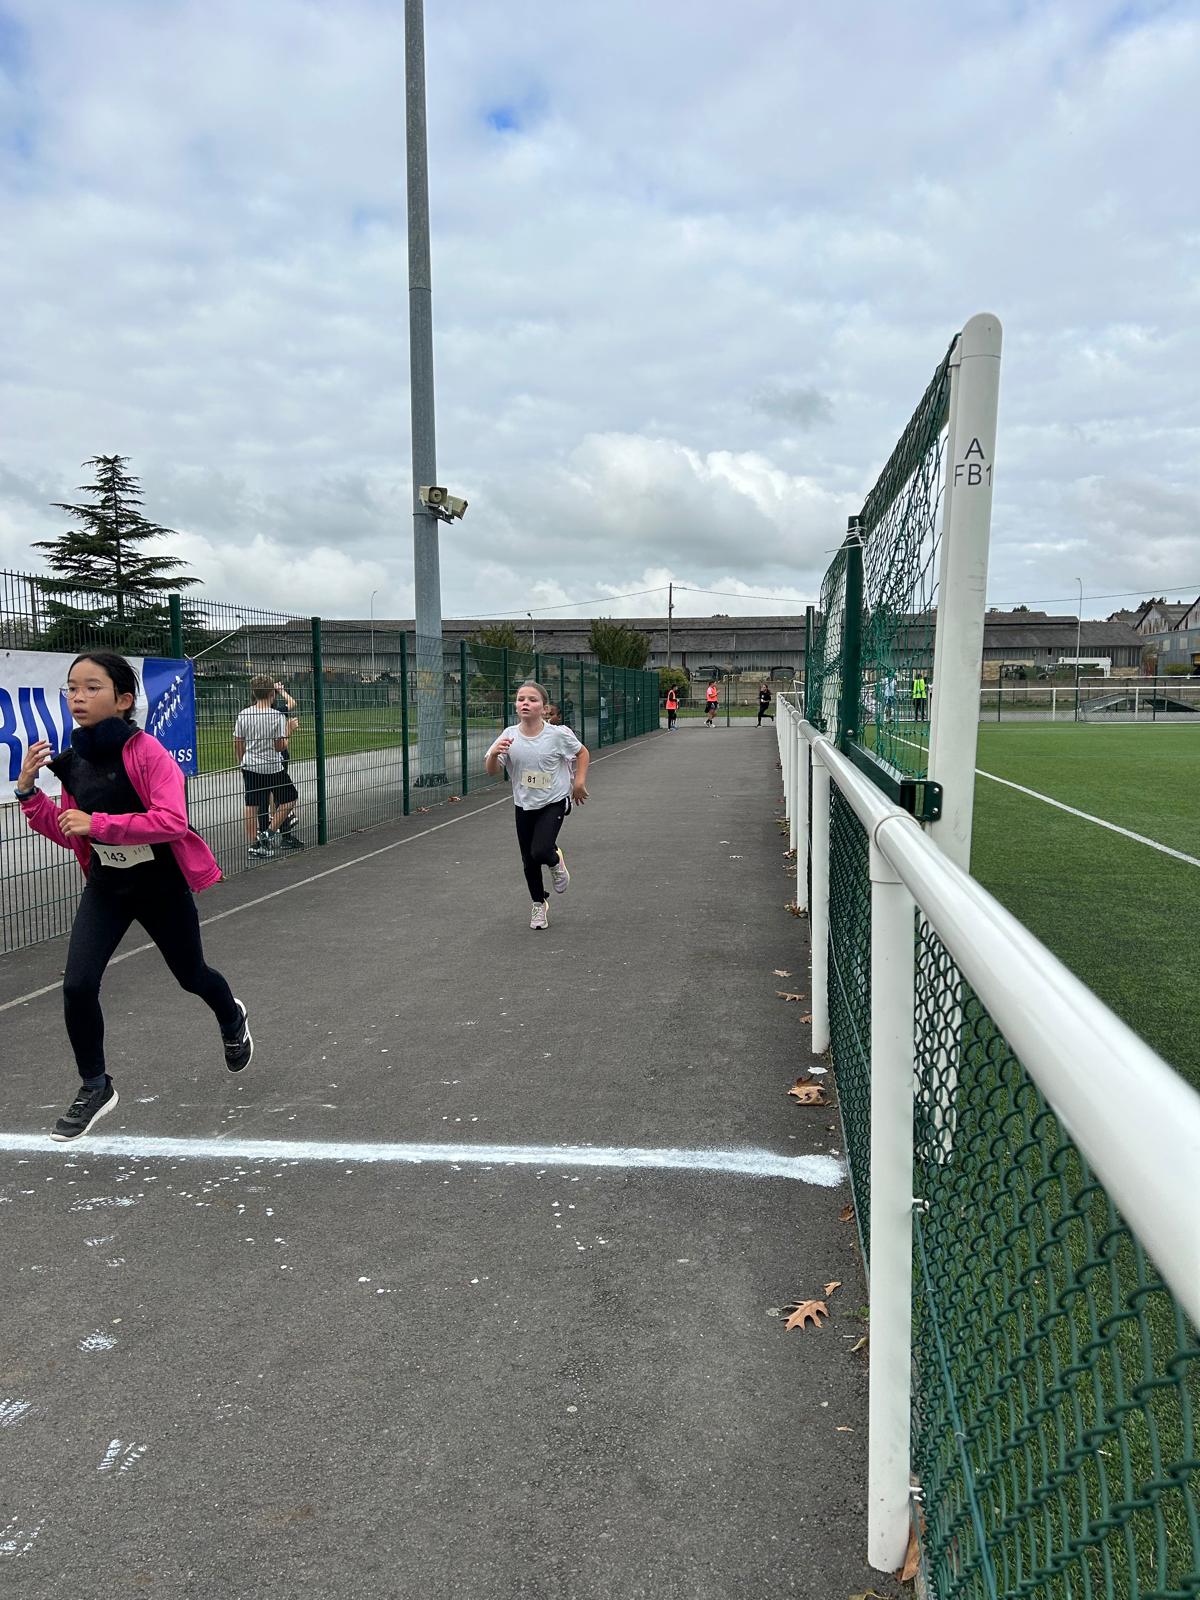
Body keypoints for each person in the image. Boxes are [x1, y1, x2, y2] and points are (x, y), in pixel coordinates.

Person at [13, 651, 251, 1143]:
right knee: (78, 985)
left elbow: (172, 821)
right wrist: (29, 795)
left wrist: (98, 823)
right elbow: (71, 830)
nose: (77, 697)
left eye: (91, 687)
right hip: (107, 887)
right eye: (71, 688)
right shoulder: (75, 761)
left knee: (192, 976)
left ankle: (232, 1016)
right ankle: (95, 1085)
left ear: (123, 700)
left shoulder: (148, 754)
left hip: (160, 886)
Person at [485, 680, 589, 930]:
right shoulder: (509, 735)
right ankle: (538, 904)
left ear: (544, 708)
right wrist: (494, 754)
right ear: (515, 705)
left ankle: (555, 861)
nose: (525, 703)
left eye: (532, 700)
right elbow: (492, 771)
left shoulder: (557, 735)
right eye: (521, 699)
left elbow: (582, 753)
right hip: (524, 804)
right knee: (528, 860)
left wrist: (579, 782)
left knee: (540, 851)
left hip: (554, 801)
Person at [234, 676, 298, 858]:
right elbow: (279, 746)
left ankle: (254, 844)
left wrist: (242, 761)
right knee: (290, 798)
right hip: (272, 767)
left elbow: (238, 741)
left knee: (252, 804)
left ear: (254, 693)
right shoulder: (276, 716)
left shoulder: (244, 714)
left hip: (250, 765)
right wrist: (288, 731)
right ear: (272, 693)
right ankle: (268, 833)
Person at [269, 680, 304, 852]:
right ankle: (282, 831)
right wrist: (281, 691)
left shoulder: (250, 713)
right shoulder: (275, 714)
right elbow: (292, 702)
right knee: (283, 797)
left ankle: (276, 826)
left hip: (266, 760)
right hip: (277, 757)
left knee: (271, 795)